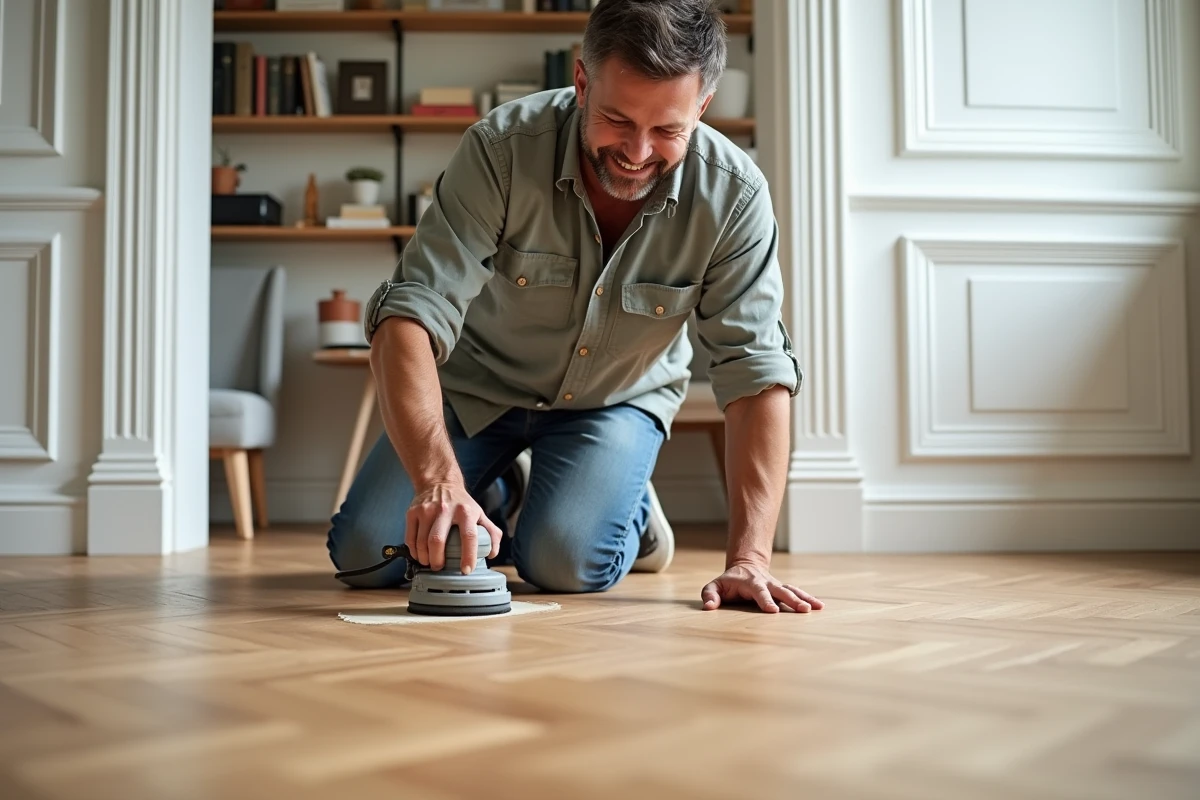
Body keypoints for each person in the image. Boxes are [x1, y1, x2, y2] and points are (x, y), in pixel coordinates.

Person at [326, 0, 823, 615]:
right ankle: (501, 486)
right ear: (582, 81)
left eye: (667, 129)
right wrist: (438, 483)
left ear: (701, 107)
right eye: (617, 120)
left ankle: (621, 504)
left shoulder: (734, 194)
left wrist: (750, 560)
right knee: (365, 556)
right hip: (479, 390)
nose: (638, 152)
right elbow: (409, 315)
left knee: (563, 563)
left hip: (616, 401)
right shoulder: (502, 149)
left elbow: (756, 372)